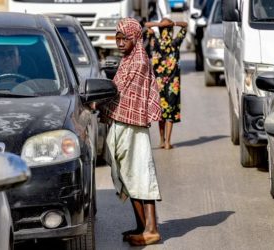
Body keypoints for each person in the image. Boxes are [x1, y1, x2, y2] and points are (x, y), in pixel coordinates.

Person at [100, 17, 162, 246]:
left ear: (135, 37)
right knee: (129, 175)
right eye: (117, 38)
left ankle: (152, 229)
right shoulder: (128, 60)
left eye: (124, 38)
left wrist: (100, 103)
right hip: (124, 125)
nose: (119, 42)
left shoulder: (137, 63)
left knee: (140, 175)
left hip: (132, 126)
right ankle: (141, 226)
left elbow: (121, 94)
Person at [144, 18, 187, 150]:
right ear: (170, 30)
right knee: (170, 112)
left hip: (158, 83)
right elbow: (185, 26)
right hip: (173, 84)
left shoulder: (154, 41)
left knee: (161, 112)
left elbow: (146, 25)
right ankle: (167, 142)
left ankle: (162, 140)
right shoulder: (175, 42)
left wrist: (158, 24)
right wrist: (173, 23)